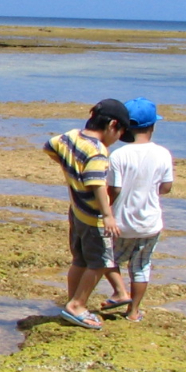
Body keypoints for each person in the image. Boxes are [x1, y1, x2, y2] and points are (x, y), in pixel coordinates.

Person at [43, 98, 130, 330]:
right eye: (120, 133)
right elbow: (97, 184)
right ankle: (78, 305)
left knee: (80, 259)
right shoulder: (98, 151)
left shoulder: (70, 137)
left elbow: (50, 146)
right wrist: (108, 215)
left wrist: (68, 168)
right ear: (112, 125)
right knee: (101, 262)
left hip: (76, 211)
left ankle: (72, 301)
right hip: (93, 215)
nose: (118, 139)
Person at [106, 97, 175, 323]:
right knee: (141, 268)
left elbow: (113, 189)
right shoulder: (163, 153)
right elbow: (165, 187)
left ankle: (119, 291)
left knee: (105, 259)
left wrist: (105, 209)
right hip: (150, 223)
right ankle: (134, 311)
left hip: (121, 222)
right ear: (153, 126)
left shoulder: (118, 155)